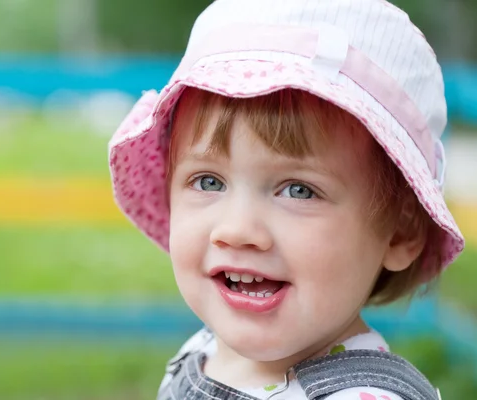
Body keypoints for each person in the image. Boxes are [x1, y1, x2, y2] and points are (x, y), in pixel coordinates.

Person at [108, 0, 465, 398]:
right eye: (209, 182)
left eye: (299, 190)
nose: (238, 230)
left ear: (400, 232)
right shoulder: (205, 349)